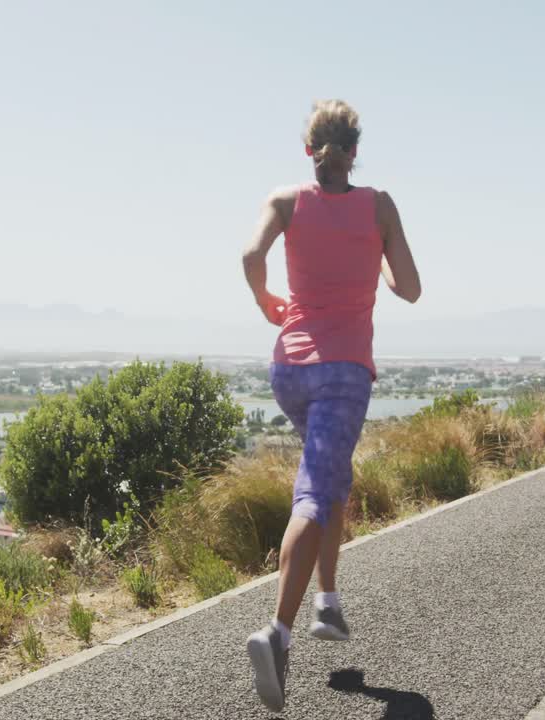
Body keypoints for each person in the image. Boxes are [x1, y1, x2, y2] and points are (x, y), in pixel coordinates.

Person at [240, 99, 421, 712]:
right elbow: (411, 288)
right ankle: (278, 633)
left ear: (309, 147)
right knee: (315, 493)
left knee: (333, 476)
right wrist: (383, 272)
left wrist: (267, 298)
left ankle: (328, 602)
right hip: (343, 372)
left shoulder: (286, 201)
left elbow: (250, 255)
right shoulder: (379, 205)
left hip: (288, 368)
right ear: (356, 148)